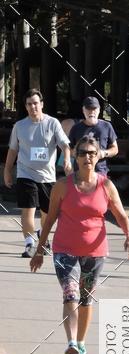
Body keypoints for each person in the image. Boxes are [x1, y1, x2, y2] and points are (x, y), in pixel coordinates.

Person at [29, 136, 129, 354]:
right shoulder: (62, 186)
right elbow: (49, 220)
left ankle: (82, 343)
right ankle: (72, 344)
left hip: (95, 253)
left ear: (98, 157)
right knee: (71, 294)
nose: (87, 157)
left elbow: (120, 214)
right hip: (64, 251)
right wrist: (39, 250)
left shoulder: (106, 185)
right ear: (75, 157)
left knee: (86, 299)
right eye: (83, 153)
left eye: (92, 153)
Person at [3, 89, 72, 258]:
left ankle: (42, 235)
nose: (33, 106)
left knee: (49, 214)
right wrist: (7, 170)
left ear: (41, 104)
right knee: (28, 209)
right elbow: (13, 150)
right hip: (25, 173)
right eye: (29, 104)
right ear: (26, 107)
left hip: (47, 176)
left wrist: (67, 159)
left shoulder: (53, 123)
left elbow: (65, 145)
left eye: (35, 103)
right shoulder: (19, 126)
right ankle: (30, 244)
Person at [68, 96, 118, 174]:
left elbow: (115, 149)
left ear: (99, 110)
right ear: (83, 110)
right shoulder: (76, 128)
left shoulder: (106, 126)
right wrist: (79, 154)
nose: (91, 112)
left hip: (100, 172)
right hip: (80, 173)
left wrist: (103, 153)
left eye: (94, 109)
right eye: (88, 109)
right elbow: (68, 149)